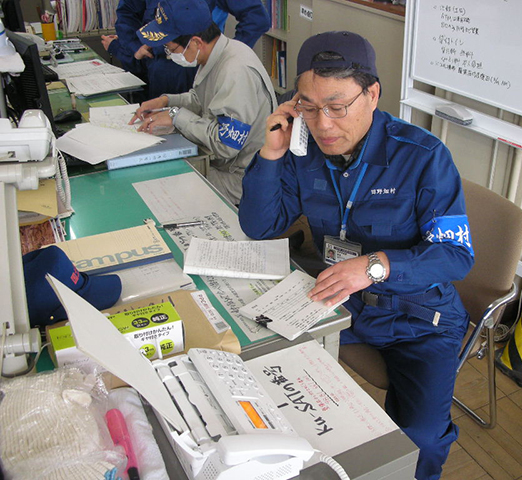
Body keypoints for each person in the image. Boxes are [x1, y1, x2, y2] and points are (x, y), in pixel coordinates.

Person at [237, 31, 475, 480]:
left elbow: (455, 256)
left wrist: (375, 266)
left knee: (420, 439)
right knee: (261, 367)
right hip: (337, 303)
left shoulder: (424, 157)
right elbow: (261, 225)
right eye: (308, 105)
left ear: (372, 94)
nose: (323, 123)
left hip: (417, 319)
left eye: (337, 106)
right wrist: (270, 153)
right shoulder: (302, 145)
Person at [130, 0, 276, 205]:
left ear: (197, 42)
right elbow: (202, 100)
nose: (169, 54)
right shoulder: (215, 53)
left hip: (242, 178)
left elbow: (226, 144)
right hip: (223, 164)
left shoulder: (235, 71)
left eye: (170, 48)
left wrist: (175, 116)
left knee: (165, 192)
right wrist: (166, 101)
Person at [114, 0, 269, 99]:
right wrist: (134, 45)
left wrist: (227, 56)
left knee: (199, 133)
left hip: (196, 64)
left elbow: (256, 19)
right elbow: (126, 12)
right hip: (157, 63)